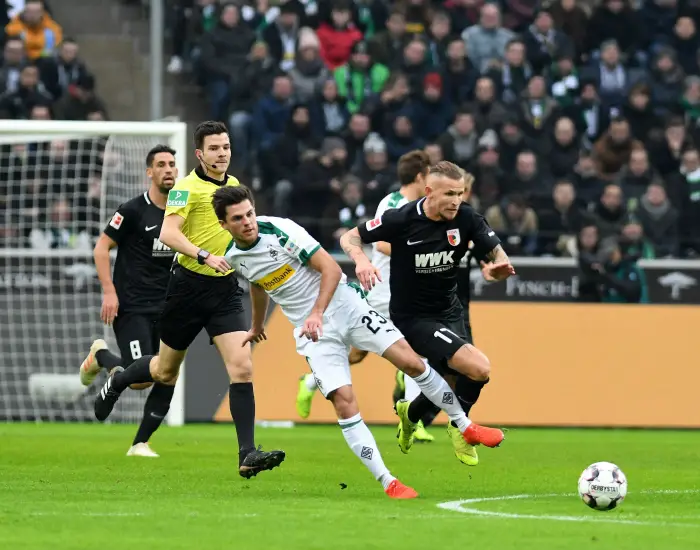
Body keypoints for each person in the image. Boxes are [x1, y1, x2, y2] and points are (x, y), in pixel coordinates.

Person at [213, 185, 504, 497]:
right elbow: (258, 284)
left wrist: (317, 312)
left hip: (346, 306)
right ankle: (389, 482)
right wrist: (257, 325)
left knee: (409, 360)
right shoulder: (234, 257)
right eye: (238, 218)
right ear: (224, 225)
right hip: (314, 334)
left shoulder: (282, 229)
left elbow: (330, 267)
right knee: (344, 402)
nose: (248, 221)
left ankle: (464, 426)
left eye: (250, 213)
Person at [93, 121, 285, 479]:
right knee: (163, 371)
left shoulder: (236, 189)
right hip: (187, 288)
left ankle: (247, 454)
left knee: (242, 367)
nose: (222, 153)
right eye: (214, 148)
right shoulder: (184, 189)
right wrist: (203, 255)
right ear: (200, 153)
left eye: (226, 147)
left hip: (225, 290)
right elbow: (169, 232)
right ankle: (118, 380)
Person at [340, 161, 514, 458]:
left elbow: (494, 249)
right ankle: (462, 431)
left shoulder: (467, 216)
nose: (456, 200)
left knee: (453, 378)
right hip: (413, 317)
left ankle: (411, 416)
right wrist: (362, 260)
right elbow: (349, 237)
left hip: (450, 311)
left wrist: (499, 265)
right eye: (449, 194)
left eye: (460, 193)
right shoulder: (402, 219)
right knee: (480, 368)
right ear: (429, 192)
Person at [294, 150, 435, 442]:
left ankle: (310, 382)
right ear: (420, 176)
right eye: (430, 175)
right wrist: (421, 254)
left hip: (405, 292)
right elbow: (382, 245)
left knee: (372, 354)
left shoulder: (422, 206)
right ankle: (413, 420)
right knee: (409, 351)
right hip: (384, 291)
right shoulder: (393, 203)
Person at [79, 145, 178, 458]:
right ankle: (103, 357)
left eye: (172, 164)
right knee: (140, 380)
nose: (168, 170)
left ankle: (140, 443)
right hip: (132, 305)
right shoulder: (132, 210)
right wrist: (109, 291)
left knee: (168, 372)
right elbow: (101, 248)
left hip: (167, 307)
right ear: (149, 172)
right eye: (161, 165)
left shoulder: (181, 214)